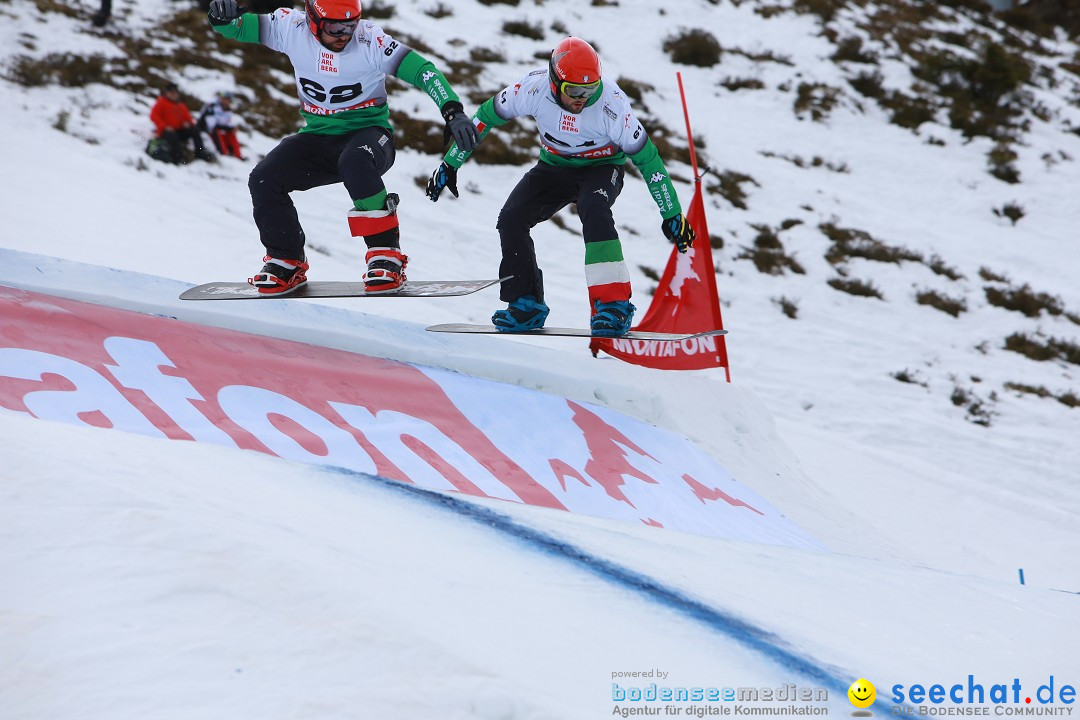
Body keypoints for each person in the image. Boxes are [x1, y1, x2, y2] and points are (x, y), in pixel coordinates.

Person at [426, 37, 696, 337]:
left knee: (594, 209)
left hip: (602, 168)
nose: (582, 98)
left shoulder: (612, 105)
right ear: (555, 81)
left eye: (590, 89)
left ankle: (613, 306)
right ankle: (526, 305)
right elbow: (485, 117)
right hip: (554, 167)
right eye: (574, 91)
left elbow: (649, 161)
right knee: (511, 219)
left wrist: (671, 213)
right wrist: (451, 163)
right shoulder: (532, 89)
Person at [207, 0, 479, 295]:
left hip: (370, 136)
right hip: (318, 138)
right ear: (312, 21)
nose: (344, 35)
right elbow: (233, 29)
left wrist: (453, 111)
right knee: (264, 177)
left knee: (355, 162)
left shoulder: (370, 40)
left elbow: (424, 72)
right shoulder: (290, 28)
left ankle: (386, 255)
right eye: (336, 27)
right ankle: (286, 260)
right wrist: (221, 15)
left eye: (351, 26)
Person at [149, 82, 215, 164]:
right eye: (171, 92)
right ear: (166, 93)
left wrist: (187, 124)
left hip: (179, 131)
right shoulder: (161, 103)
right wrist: (164, 126)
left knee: (195, 130)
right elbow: (153, 116)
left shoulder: (181, 105)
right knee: (172, 135)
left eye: (175, 93)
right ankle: (178, 157)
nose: (173, 95)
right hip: (166, 132)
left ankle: (200, 153)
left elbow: (189, 118)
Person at [198, 91, 245, 160]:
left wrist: (232, 128)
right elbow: (211, 125)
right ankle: (223, 153)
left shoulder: (228, 110)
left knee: (231, 134)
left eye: (227, 100)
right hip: (205, 131)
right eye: (224, 99)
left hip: (217, 131)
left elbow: (226, 123)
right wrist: (229, 128)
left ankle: (238, 155)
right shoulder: (212, 107)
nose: (225, 101)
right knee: (217, 132)